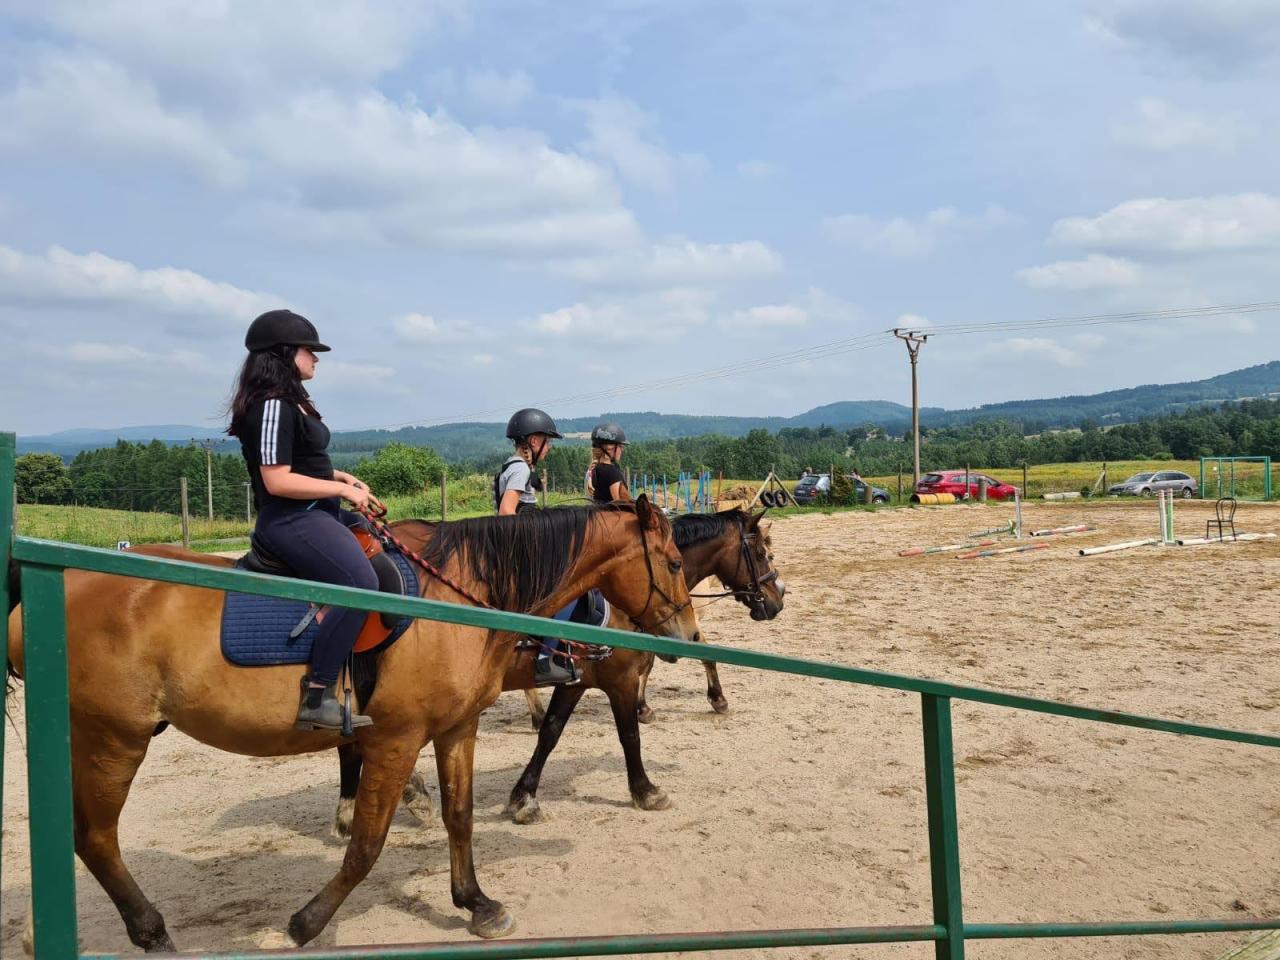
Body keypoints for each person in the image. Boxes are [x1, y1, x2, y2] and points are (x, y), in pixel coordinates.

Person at [227, 308, 383, 732]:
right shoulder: (271, 405)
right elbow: (277, 480)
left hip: (315, 510)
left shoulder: (292, 401)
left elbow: (300, 461)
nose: (315, 358)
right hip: (290, 518)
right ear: (283, 353)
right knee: (361, 584)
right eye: (308, 350)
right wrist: (341, 491)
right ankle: (317, 693)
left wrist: (339, 476)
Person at [493, 408, 576, 685]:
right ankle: (546, 656)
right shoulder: (519, 469)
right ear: (533, 441)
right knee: (569, 591)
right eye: (547, 441)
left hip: (520, 551)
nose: (549, 447)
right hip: (523, 554)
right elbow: (507, 512)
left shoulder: (513, 466)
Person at [588, 422, 631, 504]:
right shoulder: (612, 472)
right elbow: (620, 505)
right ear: (610, 448)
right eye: (620, 446)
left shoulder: (592, 470)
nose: (622, 450)